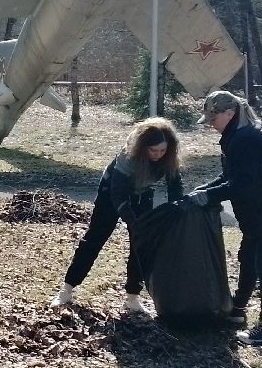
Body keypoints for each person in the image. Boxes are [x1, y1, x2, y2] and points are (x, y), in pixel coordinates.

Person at [187, 90, 262, 346]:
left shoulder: (246, 139)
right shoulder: (236, 136)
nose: (210, 125)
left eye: (213, 119)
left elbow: (241, 185)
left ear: (229, 114)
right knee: (247, 259)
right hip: (259, 212)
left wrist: (207, 197)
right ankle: (238, 312)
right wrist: (203, 190)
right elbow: (230, 177)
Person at [54, 117, 184, 314]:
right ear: (143, 147)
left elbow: (175, 185)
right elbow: (118, 193)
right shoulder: (128, 157)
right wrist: (130, 219)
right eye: (153, 150)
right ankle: (67, 289)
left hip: (142, 192)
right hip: (111, 191)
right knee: (95, 238)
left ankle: (132, 298)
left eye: (162, 150)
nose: (158, 155)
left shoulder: (168, 156)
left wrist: (176, 208)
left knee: (141, 244)